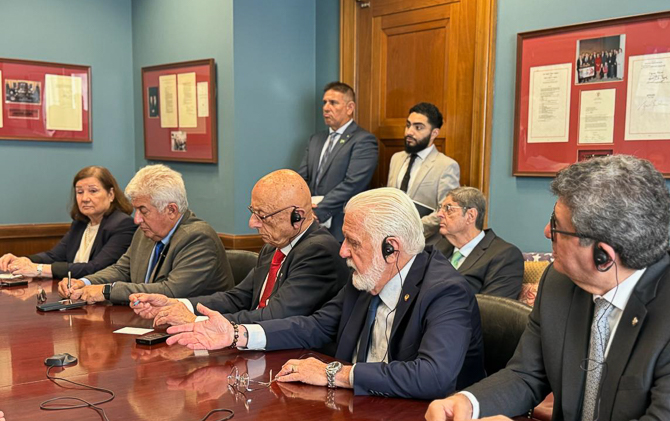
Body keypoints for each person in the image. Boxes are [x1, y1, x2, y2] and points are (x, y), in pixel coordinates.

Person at [425, 155, 670, 421]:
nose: (546, 231)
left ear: (603, 255)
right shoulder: (559, 281)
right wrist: (468, 403)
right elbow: (526, 374)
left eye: (556, 226)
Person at [166, 188, 485, 400]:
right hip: (358, 410)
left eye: (353, 242)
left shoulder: (445, 292)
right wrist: (237, 334)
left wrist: (337, 374)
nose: (343, 251)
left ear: (392, 248)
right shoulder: (368, 277)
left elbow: (433, 376)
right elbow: (315, 325)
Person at [129, 169, 349, 326]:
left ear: (297, 217)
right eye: (253, 212)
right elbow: (237, 298)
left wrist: (197, 321)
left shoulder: (318, 252)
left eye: (262, 216)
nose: (252, 223)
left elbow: (274, 317)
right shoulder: (275, 245)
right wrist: (177, 304)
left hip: (300, 358)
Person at [60, 164, 233, 305]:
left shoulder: (198, 238)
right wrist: (84, 282)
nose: (137, 219)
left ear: (171, 210)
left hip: (198, 329)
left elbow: (170, 291)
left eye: (143, 211)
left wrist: (107, 291)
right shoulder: (147, 232)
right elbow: (122, 269)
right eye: (136, 210)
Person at [0, 166, 136, 279]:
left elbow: (96, 268)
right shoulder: (80, 224)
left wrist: (39, 269)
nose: (85, 198)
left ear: (111, 194)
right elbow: (54, 256)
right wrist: (23, 260)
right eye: (80, 192)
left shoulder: (123, 224)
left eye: (93, 191)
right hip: (72, 290)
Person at [296, 81, 378, 241]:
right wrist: (302, 208)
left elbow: (353, 184)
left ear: (350, 108)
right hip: (310, 226)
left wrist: (318, 211)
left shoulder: (364, 140)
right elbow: (302, 179)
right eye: (325, 102)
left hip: (342, 228)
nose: (326, 108)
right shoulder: (315, 139)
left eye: (333, 103)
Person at [387, 102, 459, 242]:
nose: (409, 132)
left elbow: (446, 209)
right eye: (408, 125)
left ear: (434, 133)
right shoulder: (396, 158)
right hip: (392, 239)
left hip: (426, 243)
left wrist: (411, 229)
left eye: (418, 127)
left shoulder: (446, 166)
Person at [434, 187, 523, 298]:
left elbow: (494, 305)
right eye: (440, 208)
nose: (439, 214)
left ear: (470, 216)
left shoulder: (505, 255)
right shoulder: (438, 247)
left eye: (448, 209)